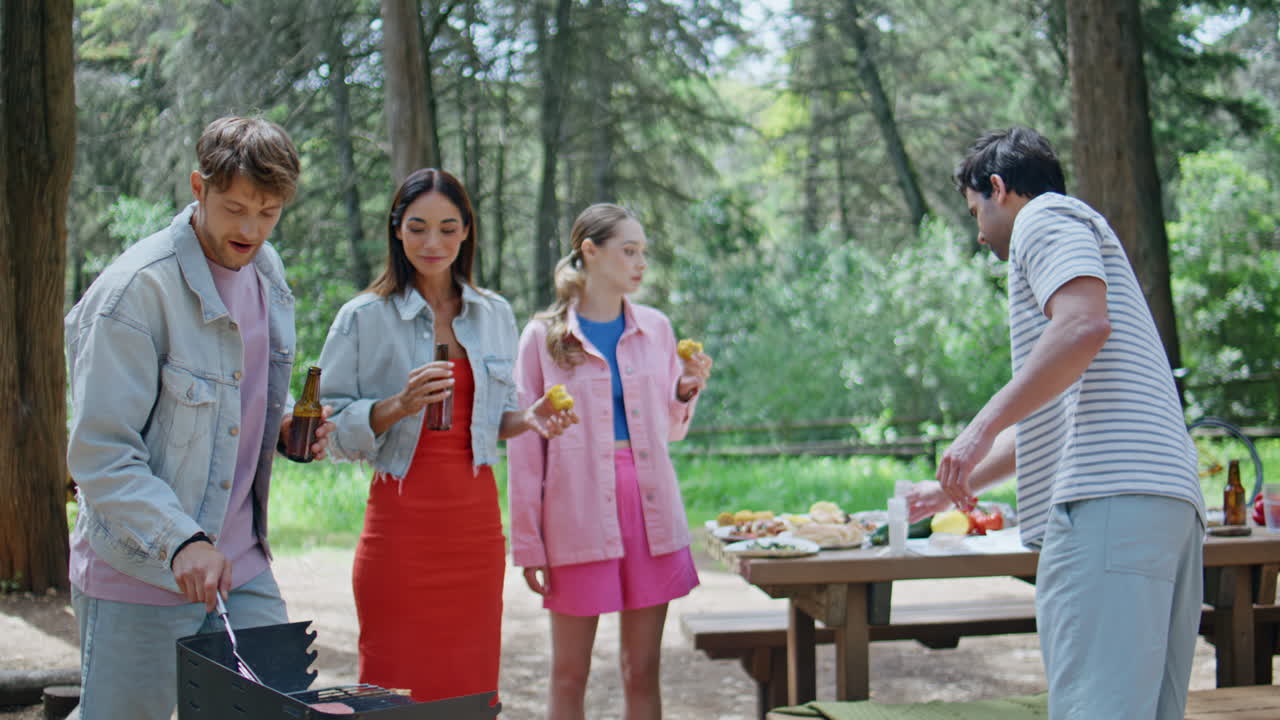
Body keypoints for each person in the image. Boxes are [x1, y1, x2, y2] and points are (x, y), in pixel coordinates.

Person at [911, 127, 1206, 719]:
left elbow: (1081, 327)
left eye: (976, 211)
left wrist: (978, 426)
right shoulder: (1081, 230)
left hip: (1107, 507)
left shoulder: (1042, 219)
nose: (978, 232)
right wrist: (950, 481)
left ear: (999, 188)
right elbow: (1054, 409)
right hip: (1164, 504)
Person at [64, 115, 335, 720]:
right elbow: (101, 454)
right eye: (235, 207)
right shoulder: (134, 292)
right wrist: (180, 540)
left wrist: (288, 427)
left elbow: (240, 391)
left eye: (268, 213)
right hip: (140, 570)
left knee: (276, 713)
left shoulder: (268, 272)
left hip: (243, 569)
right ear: (198, 187)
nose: (250, 229)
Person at [317, 167, 576, 703]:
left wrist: (529, 418)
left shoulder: (494, 313)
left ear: (466, 233)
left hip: (475, 533)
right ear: (396, 230)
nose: (433, 242)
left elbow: (496, 417)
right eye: (417, 228)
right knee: (391, 691)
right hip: (399, 532)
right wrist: (399, 405)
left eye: (447, 228)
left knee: (470, 689)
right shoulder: (362, 317)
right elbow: (328, 428)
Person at [508, 203, 713, 720]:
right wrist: (529, 543)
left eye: (643, 252)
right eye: (629, 251)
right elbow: (526, 449)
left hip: (651, 513)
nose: (641, 262)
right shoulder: (543, 338)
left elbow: (669, 430)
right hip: (576, 518)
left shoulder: (658, 329)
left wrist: (685, 390)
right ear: (590, 252)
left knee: (642, 671)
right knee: (569, 674)